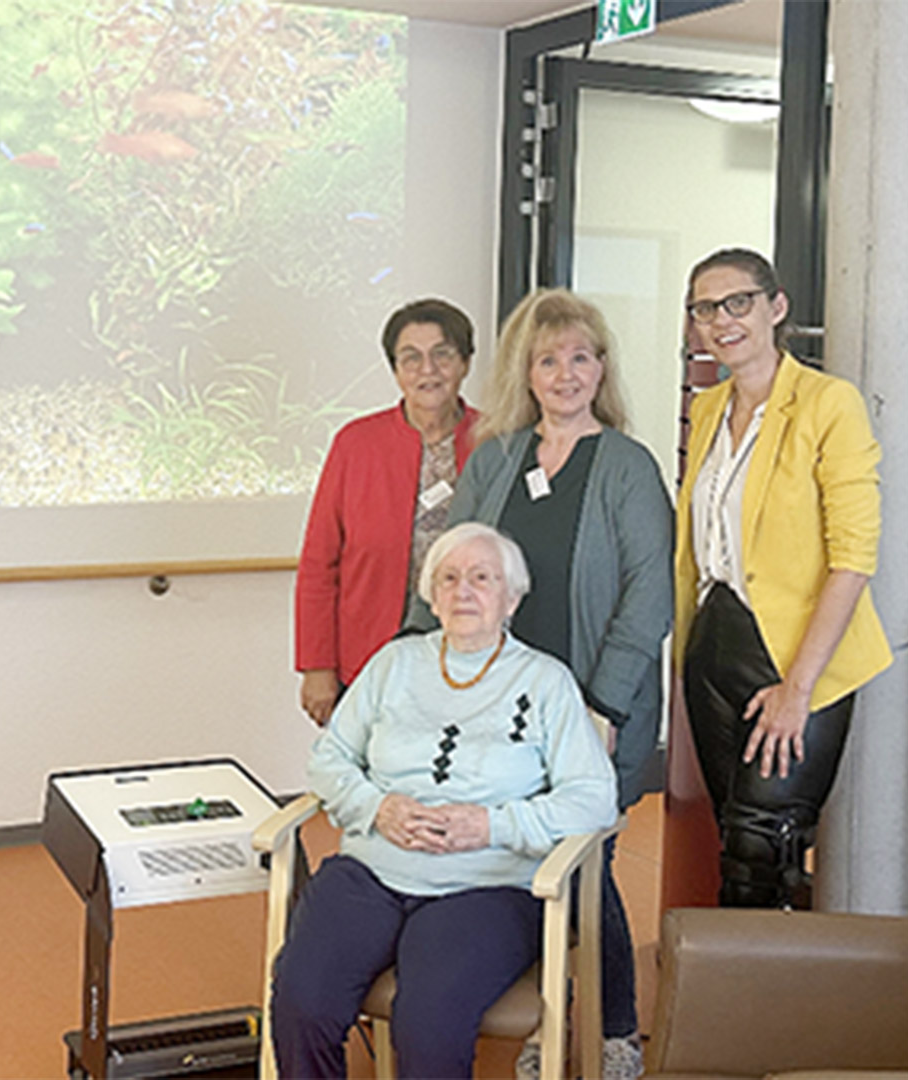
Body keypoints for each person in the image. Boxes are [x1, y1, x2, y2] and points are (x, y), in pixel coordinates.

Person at [271, 522, 617, 1080]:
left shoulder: (545, 681)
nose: (464, 591)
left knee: (428, 1020)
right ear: (431, 596)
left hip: (487, 887)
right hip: (372, 872)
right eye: (449, 578)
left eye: (482, 578)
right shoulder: (394, 664)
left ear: (512, 598)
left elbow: (594, 799)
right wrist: (376, 808)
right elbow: (329, 759)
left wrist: (492, 825)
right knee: (301, 1000)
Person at [435, 288, 672, 1080]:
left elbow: (651, 595)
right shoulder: (497, 458)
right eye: (548, 359)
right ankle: (545, 1015)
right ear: (525, 373)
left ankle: (613, 1032)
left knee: (583, 861)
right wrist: (419, 663)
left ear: (601, 369)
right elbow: (450, 563)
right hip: (498, 707)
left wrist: (603, 703)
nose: (565, 373)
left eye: (580, 356)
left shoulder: (628, 466)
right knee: (514, 860)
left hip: (596, 708)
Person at [676, 248, 890, 909]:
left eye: (737, 301)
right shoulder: (708, 409)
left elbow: (853, 555)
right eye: (705, 308)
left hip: (798, 655)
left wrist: (798, 689)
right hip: (715, 645)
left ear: (776, 307)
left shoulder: (829, 403)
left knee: (766, 842)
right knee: (734, 839)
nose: (721, 320)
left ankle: (768, 1006)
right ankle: (732, 997)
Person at [295, 298, 481, 726]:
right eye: (410, 358)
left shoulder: (497, 441)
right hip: (368, 656)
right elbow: (319, 564)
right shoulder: (355, 444)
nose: (427, 370)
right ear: (395, 369)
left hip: (471, 659)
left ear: (466, 363)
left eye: (442, 355)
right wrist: (317, 665)